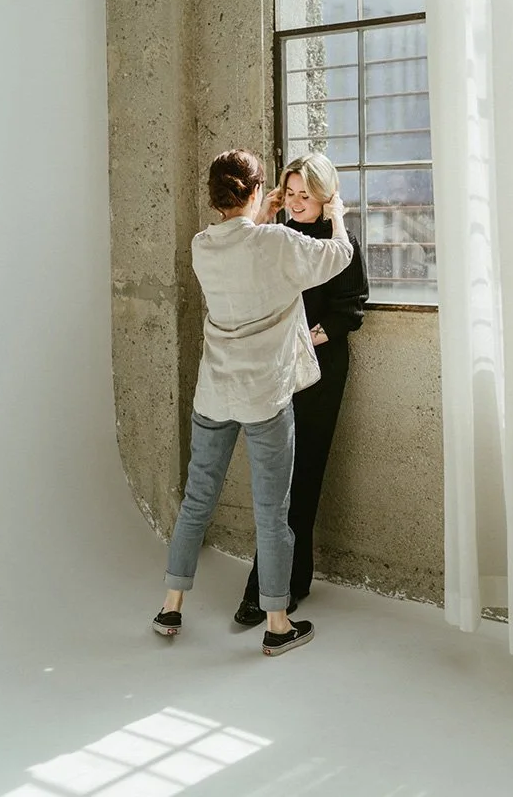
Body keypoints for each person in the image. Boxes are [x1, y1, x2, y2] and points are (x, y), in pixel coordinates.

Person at [152, 149, 353, 657]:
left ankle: (171, 604)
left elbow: (243, 248)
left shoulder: (202, 246)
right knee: (272, 509)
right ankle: (278, 624)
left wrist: (259, 215)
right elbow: (339, 257)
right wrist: (338, 217)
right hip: (264, 397)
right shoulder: (281, 243)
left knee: (198, 498)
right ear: (261, 189)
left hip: (214, 394)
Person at [234, 153, 369, 627]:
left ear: (326, 198)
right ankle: (283, 583)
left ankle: (276, 588)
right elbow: (241, 265)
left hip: (319, 370)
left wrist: (313, 337)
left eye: (304, 196)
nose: (295, 202)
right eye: (288, 193)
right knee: (278, 479)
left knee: (302, 475)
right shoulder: (274, 237)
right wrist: (262, 216)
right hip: (276, 367)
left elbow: (351, 309)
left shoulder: (341, 242)